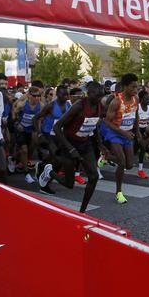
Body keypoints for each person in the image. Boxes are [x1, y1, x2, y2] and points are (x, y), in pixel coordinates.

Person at [46, 81, 104, 213]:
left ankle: (82, 212)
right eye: (97, 95)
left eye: (101, 95)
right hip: (69, 143)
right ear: (89, 94)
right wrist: (71, 148)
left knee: (94, 177)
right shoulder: (78, 106)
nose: (99, 98)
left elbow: (94, 124)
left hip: (85, 143)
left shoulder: (99, 106)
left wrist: (100, 144)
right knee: (69, 184)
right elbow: (57, 127)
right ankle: (49, 172)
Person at [100, 73, 140, 204]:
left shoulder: (136, 99)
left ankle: (106, 156)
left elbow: (136, 115)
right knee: (122, 163)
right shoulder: (116, 101)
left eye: (137, 87)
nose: (136, 90)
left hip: (127, 133)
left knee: (129, 165)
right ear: (125, 87)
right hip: (115, 133)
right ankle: (119, 192)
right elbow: (107, 121)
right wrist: (122, 132)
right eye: (133, 87)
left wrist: (137, 132)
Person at [34, 85, 70, 194]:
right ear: (58, 94)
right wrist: (39, 134)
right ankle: (44, 185)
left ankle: (41, 166)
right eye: (64, 94)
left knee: (54, 157)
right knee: (58, 160)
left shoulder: (68, 105)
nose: (66, 96)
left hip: (60, 136)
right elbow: (36, 118)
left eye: (67, 94)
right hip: (48, 135)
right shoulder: (50, 106)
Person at [12, 86, 42, 173]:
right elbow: (14, 114)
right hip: (21, 129)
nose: (37, 98)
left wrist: (38, 131)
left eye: (38, 96)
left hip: (31, 129)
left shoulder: (41, 105)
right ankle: (26, 172)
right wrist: (17, 124)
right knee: (24, 150)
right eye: (34, 96)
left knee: (30, 148)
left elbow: (39, 119)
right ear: (29, 95)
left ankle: (15, 159)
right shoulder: (22, 104)